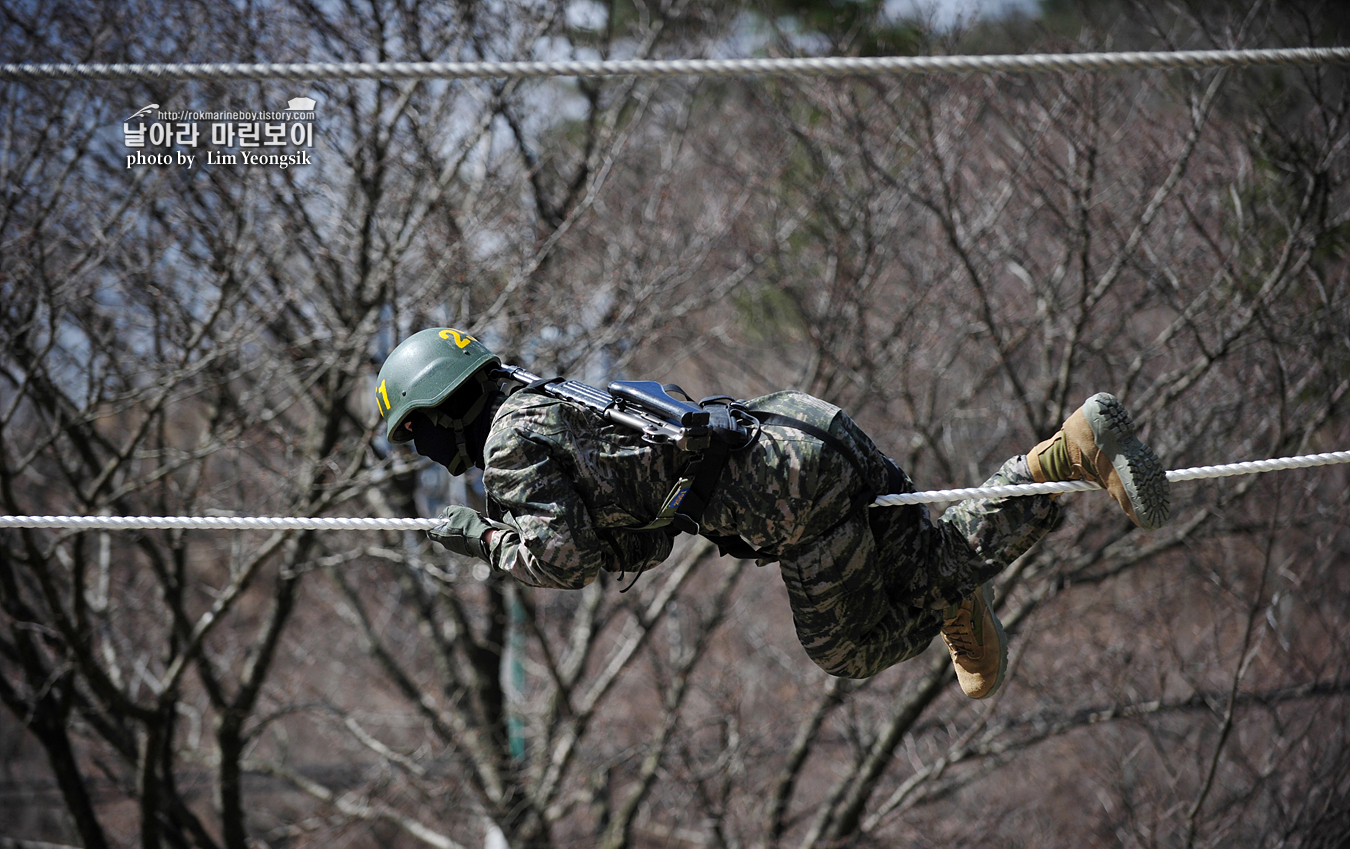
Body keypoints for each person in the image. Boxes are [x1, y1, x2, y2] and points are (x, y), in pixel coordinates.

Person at [376, 327, 1170, 699]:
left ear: (442, 408)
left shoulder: (511, 448)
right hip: (803, 427)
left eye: (416, 435)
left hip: (790, 493)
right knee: (917, 564)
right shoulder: (546, 401)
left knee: (850, 649)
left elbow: (565, 559)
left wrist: (480, 539)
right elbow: (641, 539)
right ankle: (1065, 455)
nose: (425, 453)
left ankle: (963, 582)